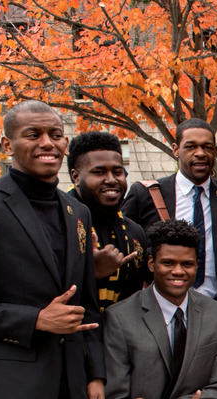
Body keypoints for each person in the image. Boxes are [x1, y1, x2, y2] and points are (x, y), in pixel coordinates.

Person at [0, 100, 105, 398]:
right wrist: (35, 319)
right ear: (7, 145)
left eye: (55, 134)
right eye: (33, 134)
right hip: (10, 380)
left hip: (73, 380)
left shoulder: (78, 211)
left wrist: (95, 374)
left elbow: (87, 302)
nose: (47, 143)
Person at [122, 118, 217, 358]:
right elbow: (127, 254)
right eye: (191, 146)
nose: (200, 153)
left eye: (207, 147)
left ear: (215, 152)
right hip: (158, 313)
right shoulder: (146, 194)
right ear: (176, 150)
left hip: (215, 312)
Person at [103, 219, 217, 399]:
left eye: (187, 264)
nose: (178, 271)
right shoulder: (120, 317)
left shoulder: (214, 312)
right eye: (168, 263)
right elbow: (116, 392)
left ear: (197, 264)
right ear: (151, 264)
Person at [67, 131, 149, 312]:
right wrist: (93, 273)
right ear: (75, 176)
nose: (112, 180)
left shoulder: (135, 233)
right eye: (99, 172)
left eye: (118, 172)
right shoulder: (56, 222)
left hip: (120, 337)